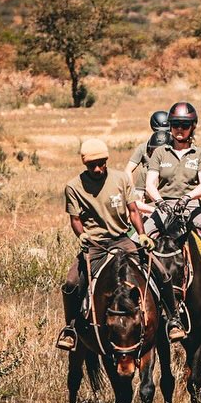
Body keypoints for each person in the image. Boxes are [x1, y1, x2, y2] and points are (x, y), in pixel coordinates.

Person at [144, 102, 201, 334]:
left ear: (193, 126)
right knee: (138, 243)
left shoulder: (200, 154)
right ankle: (138, 294)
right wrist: (159, 202)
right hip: (163, 207)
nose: (179, 130)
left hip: (192, 207)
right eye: (175, 124)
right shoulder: (159, 153)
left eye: (184, 125)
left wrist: (188, 197)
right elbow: (150, 184)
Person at [55, 138, 153, 351]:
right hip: (95, 245)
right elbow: (75, 219)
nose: (98, 169)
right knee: (72, 283)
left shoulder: (121, 179)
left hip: (123, 239)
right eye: (92, 165)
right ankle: (70, 328)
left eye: (101, 163)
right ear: (85, 165)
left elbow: (134, 210)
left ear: (107, 160)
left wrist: (142, 235)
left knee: (160, 273)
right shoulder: (74, 187)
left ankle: (170, 318)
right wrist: (81, 235)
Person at [125, 110, 172, 188]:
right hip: (147, 192)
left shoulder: (176, 146)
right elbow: (128, 170)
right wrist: (133, 193)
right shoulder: (144, 147)